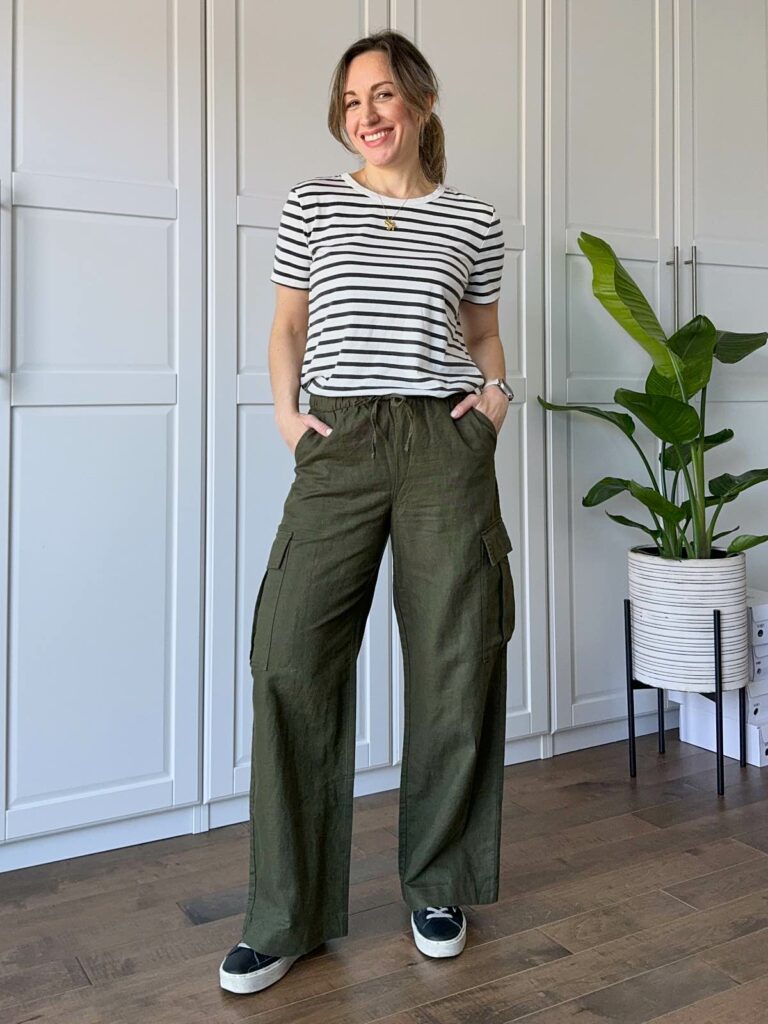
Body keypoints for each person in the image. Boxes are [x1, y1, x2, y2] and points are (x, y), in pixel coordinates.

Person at [219, 28, 515, 996]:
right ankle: (287, 911)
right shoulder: (311, 203)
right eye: (352, 101)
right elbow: (288, 322)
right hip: (338, 443)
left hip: (443, 444)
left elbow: (481, 332)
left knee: (455, 658)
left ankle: (440, 881)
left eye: (383, 94)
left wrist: (496, 401)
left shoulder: (473, 218)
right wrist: (288, 417)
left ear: (421, 102)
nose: (368, 114)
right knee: (289, 655)